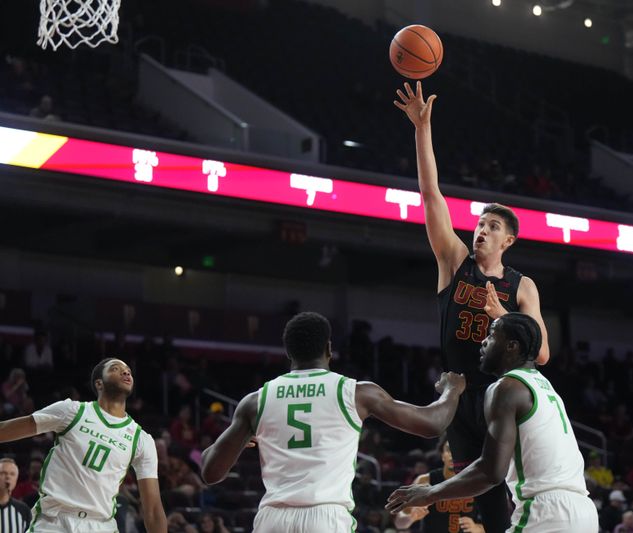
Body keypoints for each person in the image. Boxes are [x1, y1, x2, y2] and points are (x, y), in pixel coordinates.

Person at [394, 80, 551, 532]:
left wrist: (504, 319)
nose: (481, 230)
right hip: (462, 396)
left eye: (492, 225)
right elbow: (431, 196)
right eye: (480, 223)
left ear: (509, 240)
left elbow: (541, 355)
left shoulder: (522, 287)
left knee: (511, 490)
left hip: (503, 397)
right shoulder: (454, 261)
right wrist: (422, 128)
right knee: (479, 498)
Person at [201, 312, 466, 533]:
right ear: (329, 348)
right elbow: (433, 424)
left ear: (288, 352)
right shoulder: (354, 392)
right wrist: (451, 390)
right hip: (325, 517)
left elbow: (210, 471)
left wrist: (239, 440)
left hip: (272, 519)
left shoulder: (256, 401)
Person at [386, 313, 597, 533]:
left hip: (547, 511)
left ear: (511, 346)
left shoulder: (506, 387)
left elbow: (491, 471)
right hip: (583, 511)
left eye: (492, 335)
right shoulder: (544, 385)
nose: (483, 341)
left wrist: (429, 494)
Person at [0, 358, 167, 532]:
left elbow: (153, 509)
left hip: (101, 525)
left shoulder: (141, 439)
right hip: (54, 522)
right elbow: (6, 430)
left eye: (128, 371)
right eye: (115, 369)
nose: (125, 372)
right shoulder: (72, 411)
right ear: (99, 383)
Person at [393, 439, 485, 532]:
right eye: (449, 449)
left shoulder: (477, 482)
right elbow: (399, 523)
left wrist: (478, 528)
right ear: (442, 455)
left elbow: (497, 524)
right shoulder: (425, 480)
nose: (452, 454)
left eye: (457, 450)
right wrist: (411, 518)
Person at [0, 458, 31, 532]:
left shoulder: (23, 510)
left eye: (12, 474)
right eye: (3, 473)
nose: (8, 477)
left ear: (16, 480)